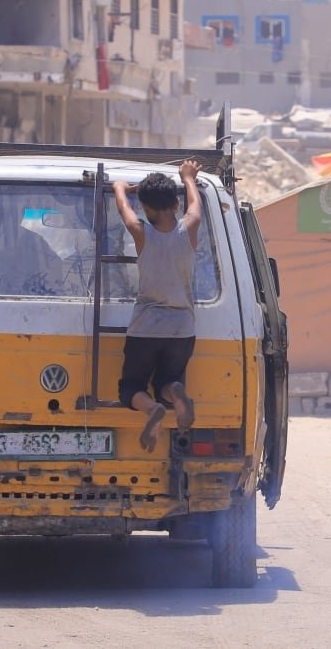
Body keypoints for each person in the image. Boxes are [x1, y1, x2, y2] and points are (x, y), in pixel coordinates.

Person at [113, 161, 200, 452]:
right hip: (182, 328)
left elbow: (124, 210)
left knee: (130, 388)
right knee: (168, 380)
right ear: (176, 204)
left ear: (146, 210)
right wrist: (188, 178)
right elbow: (195, 205)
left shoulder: (141, 232)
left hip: (146, 327)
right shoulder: (190, 227)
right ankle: (174, 393)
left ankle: (150, 409)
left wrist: (120, 188)